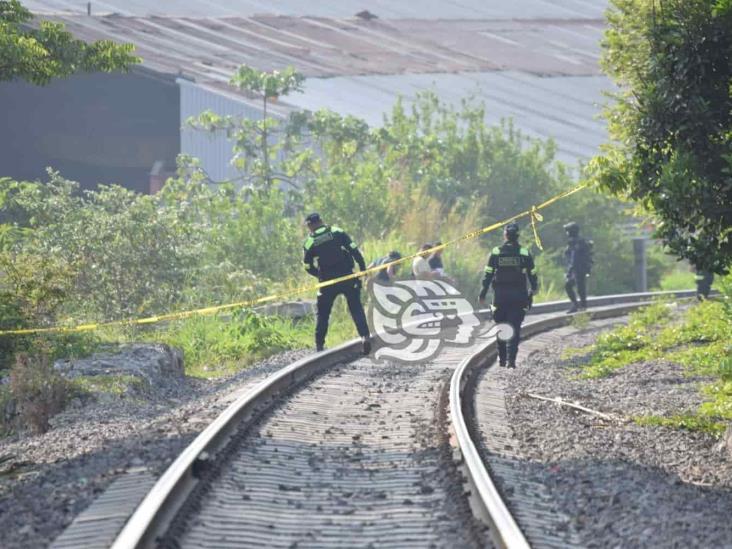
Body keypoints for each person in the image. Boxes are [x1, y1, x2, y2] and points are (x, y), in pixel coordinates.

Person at [303, 213, 371, 354]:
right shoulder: (337, 232)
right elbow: (354, 250)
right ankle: (365, 337)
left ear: (310, 226)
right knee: (356, 308)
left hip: (327, 283)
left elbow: (307, 266)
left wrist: (319, 275)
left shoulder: (310, 241)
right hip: (347, 277)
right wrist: (363, 269)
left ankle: (320, 346)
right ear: (321, 221)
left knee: (323, 314)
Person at [478, 223, 538, 368]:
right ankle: (511, 361)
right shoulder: (524, 252)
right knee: (515, 328)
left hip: (500, 296)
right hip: (519, 296)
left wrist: (482, 293)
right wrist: (534, 289)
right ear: (517, 236)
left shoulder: (496, 252)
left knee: (502, 327)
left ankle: (502, 359)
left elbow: (488, 274)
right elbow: (532, 274)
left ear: (505, 235)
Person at [563, 222, 593, 313]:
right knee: (571, 286)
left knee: (579, 287)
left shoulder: (579, 242)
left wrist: (570, 270)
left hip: (579, 269)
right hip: (576, 269)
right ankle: (577, 305)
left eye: (568, 231)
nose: (567, 233)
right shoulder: (574, 242)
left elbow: (575, 258)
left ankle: (581, 306)